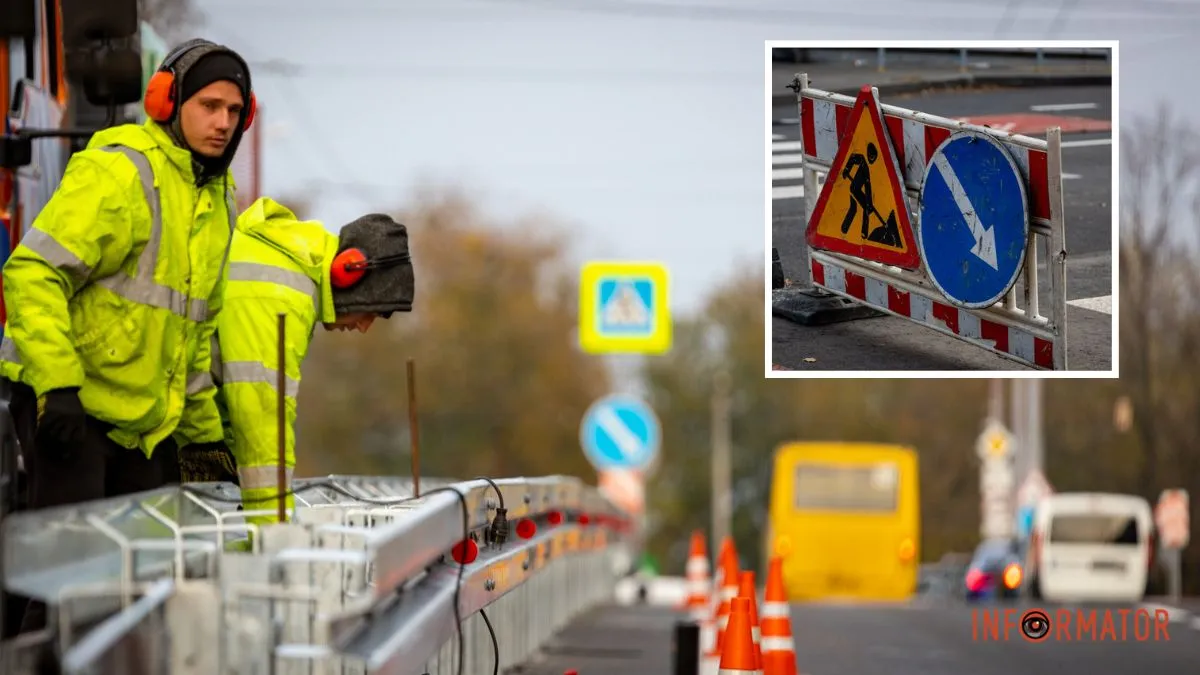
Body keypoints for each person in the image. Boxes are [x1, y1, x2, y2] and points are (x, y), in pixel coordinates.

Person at [0, 38, 254, 635]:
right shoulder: (119, 169)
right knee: (69, 590)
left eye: (234, 111)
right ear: (167, 102)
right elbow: (33, 272)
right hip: (70, 407)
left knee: (136, 592)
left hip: (142, 426)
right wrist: (56, 388)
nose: (222, 123)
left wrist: (203, 440)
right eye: (209, 105)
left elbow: (191, 334)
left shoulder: (218, 202)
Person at [178, 197, 414, 529]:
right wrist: (272, 537)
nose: (363, 327)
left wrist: (220, 446)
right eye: (373, 312)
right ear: (348, 274)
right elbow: (261, 420)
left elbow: (235, 398)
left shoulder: (284, 265)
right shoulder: (282, 294)